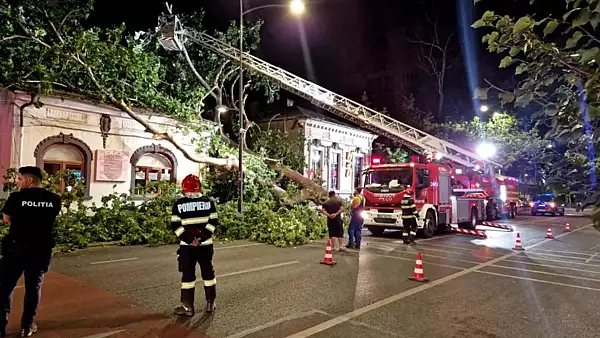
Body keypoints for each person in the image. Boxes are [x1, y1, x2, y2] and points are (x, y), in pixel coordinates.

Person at [0, 166, 61, 337]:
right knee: (33, 287)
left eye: (19, 179)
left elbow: (7, 219)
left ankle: (1, 328)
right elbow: (50, 218)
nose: (18, 182)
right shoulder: (54, 199)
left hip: (16, 249)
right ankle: (27, 326)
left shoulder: (16, 197)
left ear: (29, 180)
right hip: (41, 250)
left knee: (4, 287)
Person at [170, 174, 219, 316]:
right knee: (208, 274)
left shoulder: (179, 205)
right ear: (200, 187)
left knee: (188, 277)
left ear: (184, 188)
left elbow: (175, 225)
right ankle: (210, 303)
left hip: (187, 247)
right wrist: (201, 238)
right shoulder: (209, 202)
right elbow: (213, 222)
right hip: (205, 246)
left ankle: (188, 307)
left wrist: (190, 240)